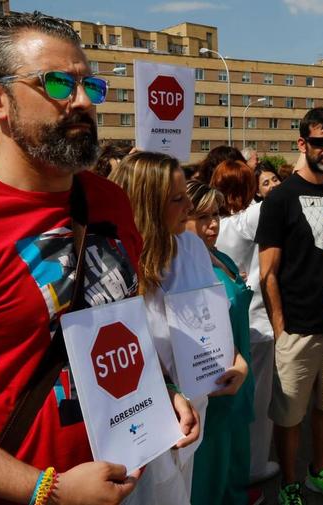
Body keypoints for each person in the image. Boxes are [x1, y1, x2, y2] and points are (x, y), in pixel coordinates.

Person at [0, 12, 198, 505]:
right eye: (57, 83)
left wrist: (161, 394)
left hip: (113, 483)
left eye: (90, 84)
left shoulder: (109, 202)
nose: (85, 102)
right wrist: (45, 489)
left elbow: (117, 331)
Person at [257, 107, 323, 505]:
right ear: (303, 144)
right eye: (319, 141)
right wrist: (281, 329)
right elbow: (268, 272)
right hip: (296, 330)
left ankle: (319, 473)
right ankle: (289, 482)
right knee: (289, 417)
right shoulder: (280, 199)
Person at [108, 151, 208, 505]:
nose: (190, 206)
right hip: (141, 421)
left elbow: (208, 317)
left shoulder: (192, 246)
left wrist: (234, 360)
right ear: (147, 206)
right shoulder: (112, 262)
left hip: (193, 408)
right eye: (177, 199)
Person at [211, 160, 281, 495]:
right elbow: (280, 199)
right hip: (255, 323)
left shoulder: (208, 225)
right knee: (258, 399)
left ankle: (235, 466)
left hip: (222, 328)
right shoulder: (243, 222)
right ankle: (255, 465)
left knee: (229, 404)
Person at [184, 180, 254, 505]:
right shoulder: (181, 270)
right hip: (212, 386)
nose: (213, 225)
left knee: (234, 463)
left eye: (216, 215)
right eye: (202, 217)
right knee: (207, 477)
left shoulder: (218, 255)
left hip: (237, 376)